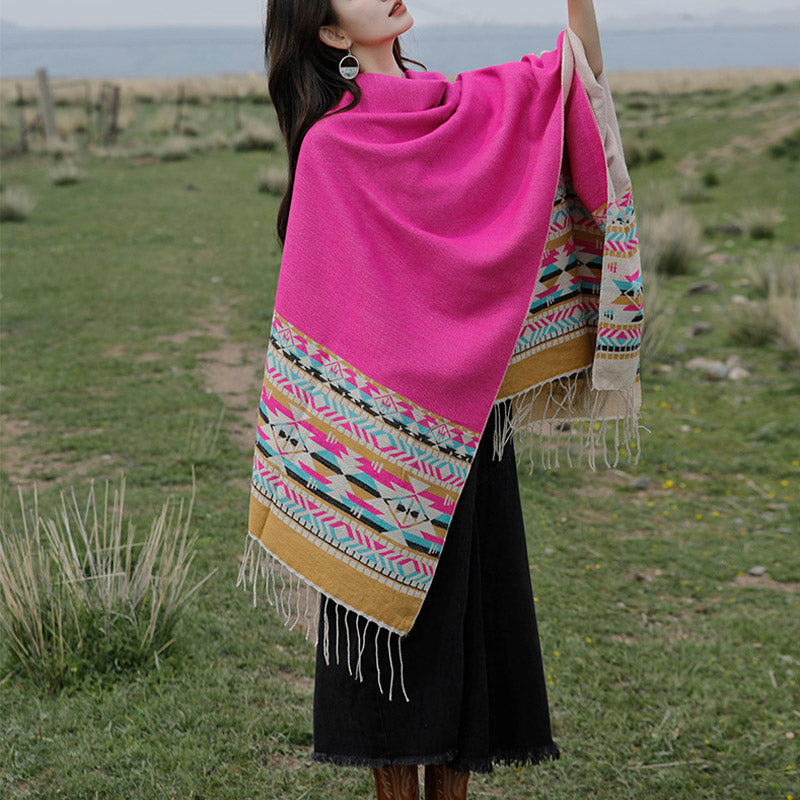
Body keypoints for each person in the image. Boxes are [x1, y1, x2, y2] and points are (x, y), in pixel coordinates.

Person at [236, 1, 642, 798]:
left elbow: (576, 73)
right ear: (329, 33)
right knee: (393, 685)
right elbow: (329, 303)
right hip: (381, 448)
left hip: (471, 428)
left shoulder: (465, 109)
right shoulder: (333, 148)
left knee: (468, 661)